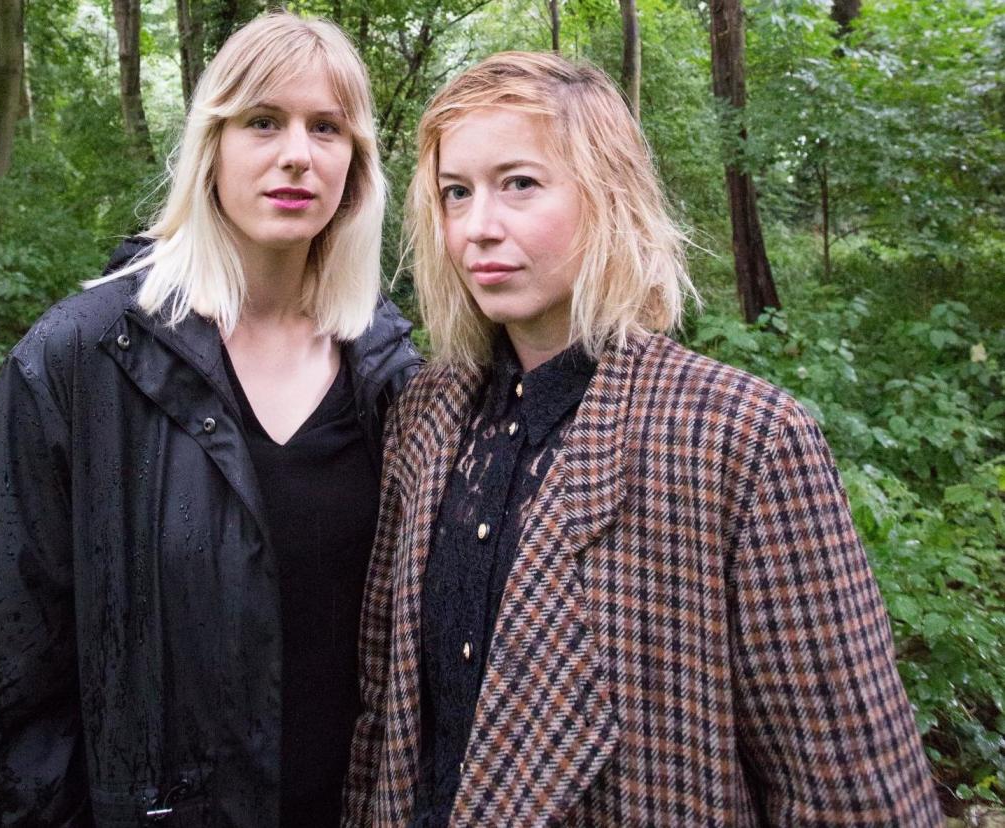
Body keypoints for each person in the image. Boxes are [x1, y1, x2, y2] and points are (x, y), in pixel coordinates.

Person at [343, 52, 942, 826]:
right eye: (456, 193)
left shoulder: (743, 439)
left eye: (519, 183)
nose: (478, 227)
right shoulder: (422, 415)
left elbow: (850, 791)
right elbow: (383, 723)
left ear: (608, 193)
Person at [0, 12, 421, 827]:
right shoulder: (82, 358)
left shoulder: (389, 372)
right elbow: (11, 685)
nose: (296, 153)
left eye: (326, 127)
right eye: (263, 121)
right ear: (213, 145)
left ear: (357, 162)